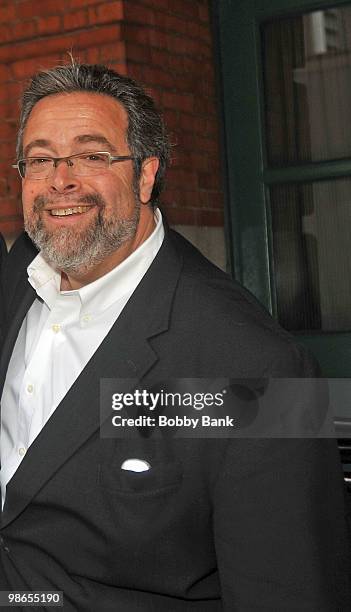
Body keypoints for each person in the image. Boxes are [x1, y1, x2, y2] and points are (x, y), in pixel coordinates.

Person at [0, 61, 349, 611]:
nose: (59, 179)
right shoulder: (17, 274)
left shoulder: (261, 369)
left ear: (145, 174)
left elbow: (292, 592)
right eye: (40, 159)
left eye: (92, 156)